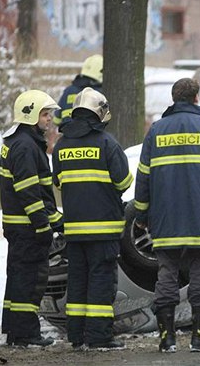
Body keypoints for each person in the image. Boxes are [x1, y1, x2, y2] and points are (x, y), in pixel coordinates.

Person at [134, 78, 200, 353]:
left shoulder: (155, 131)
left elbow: (143, 179)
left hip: (166, 222)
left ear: (174, 98)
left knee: (166, 274)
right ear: (196, 98)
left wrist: (141, 214)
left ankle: (166, 338)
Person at [51, 87, 133, 349]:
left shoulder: (61, 145)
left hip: (74, 231)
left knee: (77, 283)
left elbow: (59, 182)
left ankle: (76, 336)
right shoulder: (107, 143)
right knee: (101, 282)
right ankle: (98, 337)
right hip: (104, 230)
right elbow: (124, 182)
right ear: (99, 113)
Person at [0, 90, 64, 347]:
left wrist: (54, 218)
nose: (50, 120)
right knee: (30, 280)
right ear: (31, 115)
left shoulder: (18, 141)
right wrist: (42, 225)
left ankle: (16, 331)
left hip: (19, 227)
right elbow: (29, 192)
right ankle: (27, 334)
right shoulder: (26, 146)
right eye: (45, 114)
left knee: (17, 278)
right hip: (28, 228)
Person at [54, 54, 103, 126]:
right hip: (93, 136)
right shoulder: (100, 93)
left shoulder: (68, 91)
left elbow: (56, 120)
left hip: (68, 135)